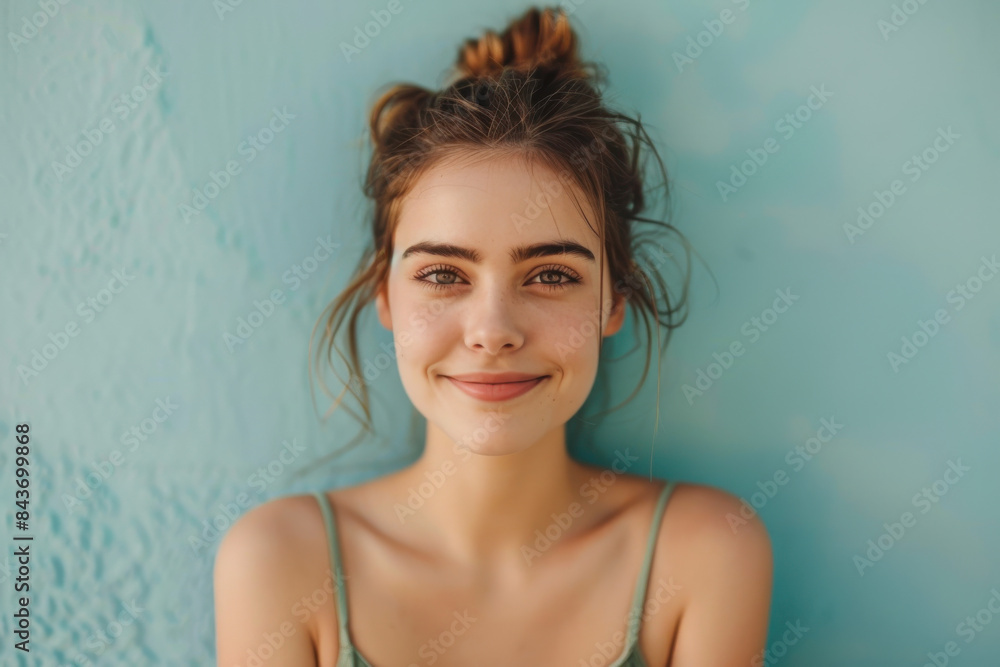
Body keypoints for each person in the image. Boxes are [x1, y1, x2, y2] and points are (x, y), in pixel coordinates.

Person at [214, 6, 772, 666]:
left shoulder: (704, 551)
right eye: (445, 273)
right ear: (386, 295)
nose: (493, 330)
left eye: (551, 274)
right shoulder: (281, 560)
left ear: (613, 300)